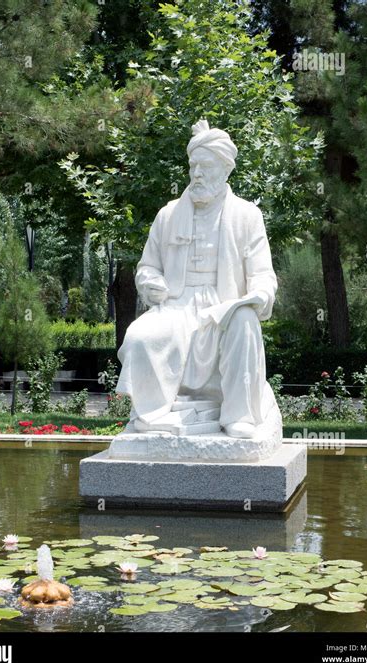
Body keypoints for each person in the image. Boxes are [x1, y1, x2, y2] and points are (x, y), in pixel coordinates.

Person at [116, 119, 279, 439]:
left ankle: (239, 415)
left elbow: (263, 275)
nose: (197, 174)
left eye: (205, 166)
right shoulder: (167, 215)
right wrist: (150, 284)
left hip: (224, 307)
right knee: (138, 337)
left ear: (224, 169)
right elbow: (146, 267)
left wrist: (258, 295)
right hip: (176, 307)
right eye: (193, 166)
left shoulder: (247, 215)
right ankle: (153, 416)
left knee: (245, 319)